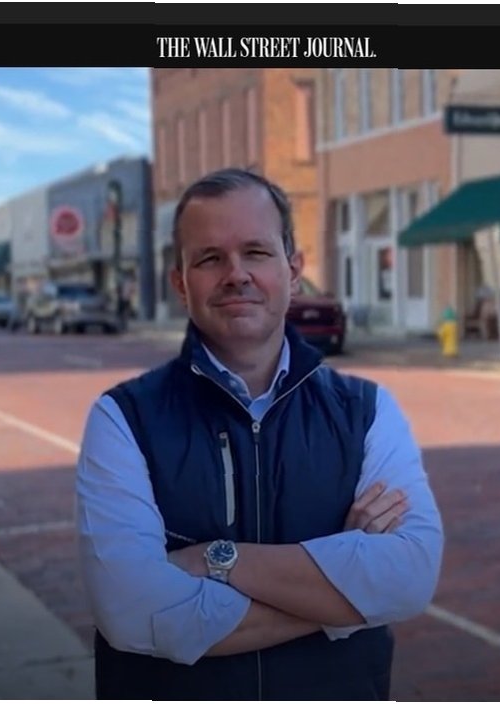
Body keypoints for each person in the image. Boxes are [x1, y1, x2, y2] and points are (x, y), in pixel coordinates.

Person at [75, 168, 444, 700]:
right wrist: (348, 596)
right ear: (180, 283)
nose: (236, 274)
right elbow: (134, 613)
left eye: (256, 252)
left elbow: (410, 578)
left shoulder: (367, 412)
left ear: (293, 270)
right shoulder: (123, 420)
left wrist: (215, 559)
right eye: (210, 258)